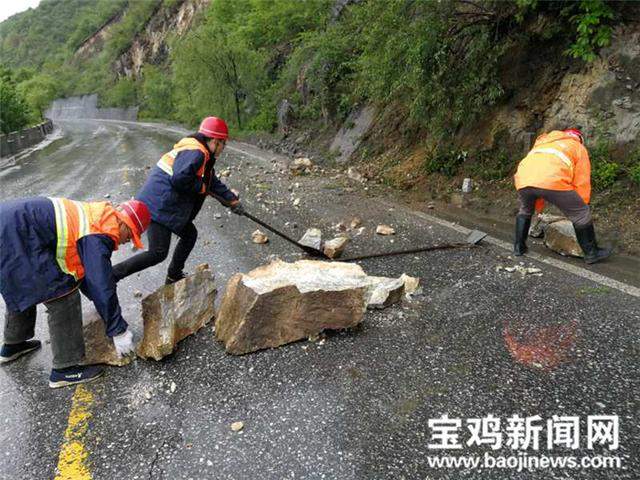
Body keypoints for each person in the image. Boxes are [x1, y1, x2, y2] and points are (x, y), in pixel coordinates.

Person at [0, 197, 151, 388]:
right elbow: (99, 282)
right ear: (123, 223)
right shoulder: (100, 231)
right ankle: (64, 370)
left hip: (12, 230)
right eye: (129, 236)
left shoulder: (96, 216)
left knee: (25, 285)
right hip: (14, 236)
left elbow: (85, 276)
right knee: (63, 294)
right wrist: (118, 330)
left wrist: (105, 310)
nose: (123, 242)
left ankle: (13, 345)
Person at [112, 116, 243, 285]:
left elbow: (211, 182)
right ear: (215, 141)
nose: (223, 148)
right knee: (158, 252)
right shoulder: (196, 153)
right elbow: (180, 179)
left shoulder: (200, 153)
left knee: (189, 234)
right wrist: (201, 188)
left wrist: (232, 201)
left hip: (164, 204)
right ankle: (113, 275)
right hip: (157, 206)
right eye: (223, 144)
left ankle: (173, 275)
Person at [513, 128, 612, 264]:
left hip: (523, 179)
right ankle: (591, 253)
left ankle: (519, 247)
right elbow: (581, 180)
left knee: (525, 210)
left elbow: (536, 170)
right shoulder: (577, 147)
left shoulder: (544, 142)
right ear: (579, 139)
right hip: (552, 180)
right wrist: (583, 202)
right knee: (581, 213)